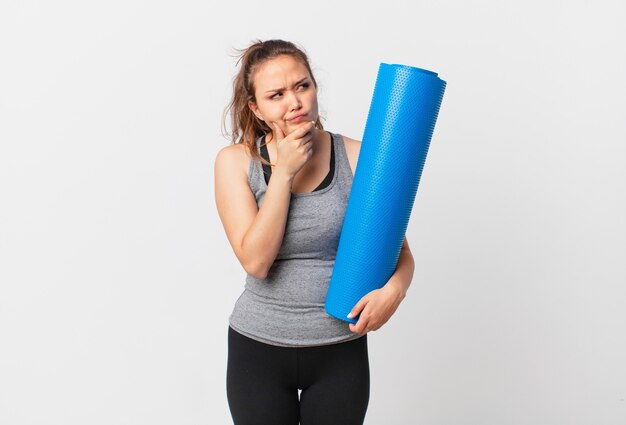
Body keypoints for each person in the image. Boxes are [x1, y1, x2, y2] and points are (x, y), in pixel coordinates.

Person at [214, 39, 415, 425]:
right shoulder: (236, 163)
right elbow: (256, 261)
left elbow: (400, 252)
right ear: (255, 108)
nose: (295, 102)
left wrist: (395, 290)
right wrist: (284, 171)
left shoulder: (358, 155)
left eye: (302, 86)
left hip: (339, 348)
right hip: (258, 348)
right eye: (276, 95)